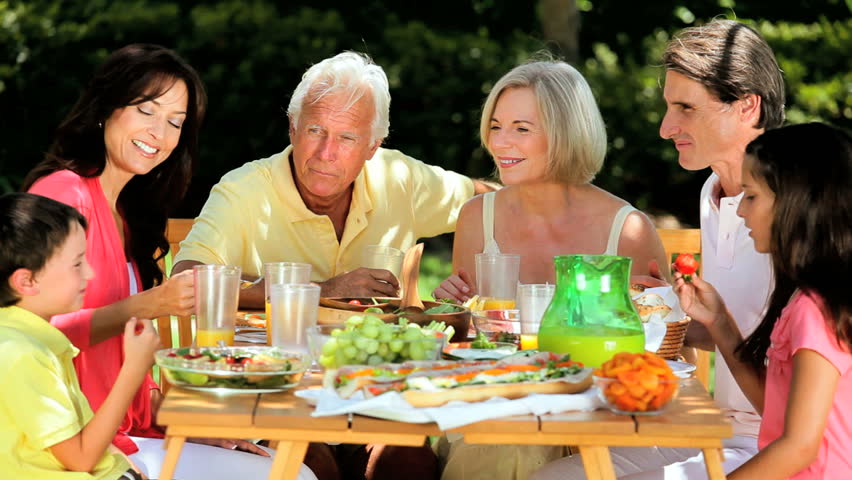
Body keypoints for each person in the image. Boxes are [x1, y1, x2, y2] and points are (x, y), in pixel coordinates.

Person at [23, 44, 316, 480]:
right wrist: (150, 305)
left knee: (286, 465)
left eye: (175, 122)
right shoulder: (64, 195)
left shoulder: (126, 213)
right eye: (147, 110)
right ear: (107, 107)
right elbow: (30, 336)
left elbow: (121, 361)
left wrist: (185, 425)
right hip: (72, 449)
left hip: (127, 432)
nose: (159, 132)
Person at [532, 19, 786, 480]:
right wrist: (669, 319)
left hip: (776, 443)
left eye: (686, 108)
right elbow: (747, 333)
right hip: (713, 424)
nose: (667, 128)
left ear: (747, 106)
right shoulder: (713, 191)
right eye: (669, 107)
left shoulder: (799, 209)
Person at [431, 58, 669, 480]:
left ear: (566, 135)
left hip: (600, 417)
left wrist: (643, 310)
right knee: (506, 444)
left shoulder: (627, 229)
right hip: (504, 407)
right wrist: (455, 312)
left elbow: (668, 352)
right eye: (496, 126)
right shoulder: (476, 217)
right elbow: (476, 341)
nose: (501, 142)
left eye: (522, 129)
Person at [172, 51, 497, 305]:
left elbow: (492, 199)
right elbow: (186, 278)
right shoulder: (243, 190)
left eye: (347, 138)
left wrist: (545, 181)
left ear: (372, 146)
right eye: (315, 130)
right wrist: (322, 290)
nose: (326, 152)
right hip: (265, 377)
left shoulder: (399, 177)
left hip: (377, 378)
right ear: (293, 129)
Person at [674, 122, 852, 479]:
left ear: (797, 203)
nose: (740, 212)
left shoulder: (814, 310)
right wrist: (720, 322)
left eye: (751, 197)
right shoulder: (804, 298)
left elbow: (799, 447)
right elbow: (774, 408)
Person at [0, 192, 159, 480]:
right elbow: (82, 458)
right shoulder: (20, 354)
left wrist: (127, 468)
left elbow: (85, 436)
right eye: (77, 263)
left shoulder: (32, 339)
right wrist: (133, 369)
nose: (90, 273)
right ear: (27, 281)